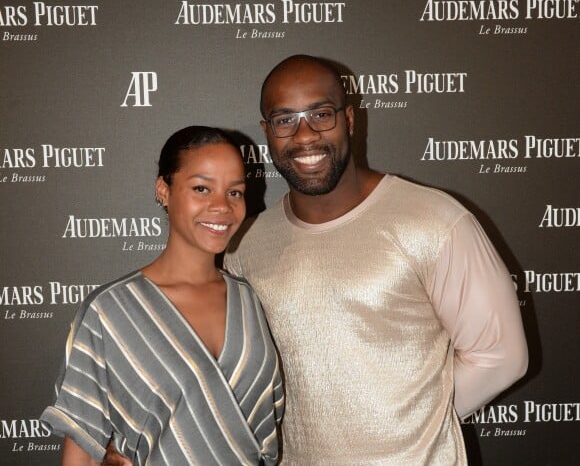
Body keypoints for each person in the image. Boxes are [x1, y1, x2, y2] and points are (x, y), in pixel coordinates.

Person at [105, 54, 528, 465]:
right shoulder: (246, 243)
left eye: (321, 114)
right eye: (285, 120)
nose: (305, 136)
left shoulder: (434, 221)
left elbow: (501, 356)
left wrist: (415, 431)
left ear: (348, 119)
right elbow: (211, 368)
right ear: (267, 131)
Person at [41, 126, 284, 466]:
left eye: (235, 192)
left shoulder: (248, 301)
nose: (222, 206)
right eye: (202, 188)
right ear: (163, 190)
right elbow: (79, 453)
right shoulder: (109, 313)